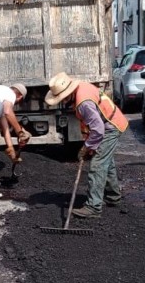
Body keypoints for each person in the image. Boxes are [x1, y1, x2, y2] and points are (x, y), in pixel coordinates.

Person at [44, 72, 128, 218]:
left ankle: (93, 207)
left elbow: (98, 130)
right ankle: (113, 196)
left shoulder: (83, 103)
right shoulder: (81, 88)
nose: (62, 102)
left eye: (62, 99)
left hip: (110, 127)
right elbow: (91, 125)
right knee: (107, 162)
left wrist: (87, 147)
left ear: (68, 93)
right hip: (111, 122)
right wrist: (89, 144)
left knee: (97, 165)